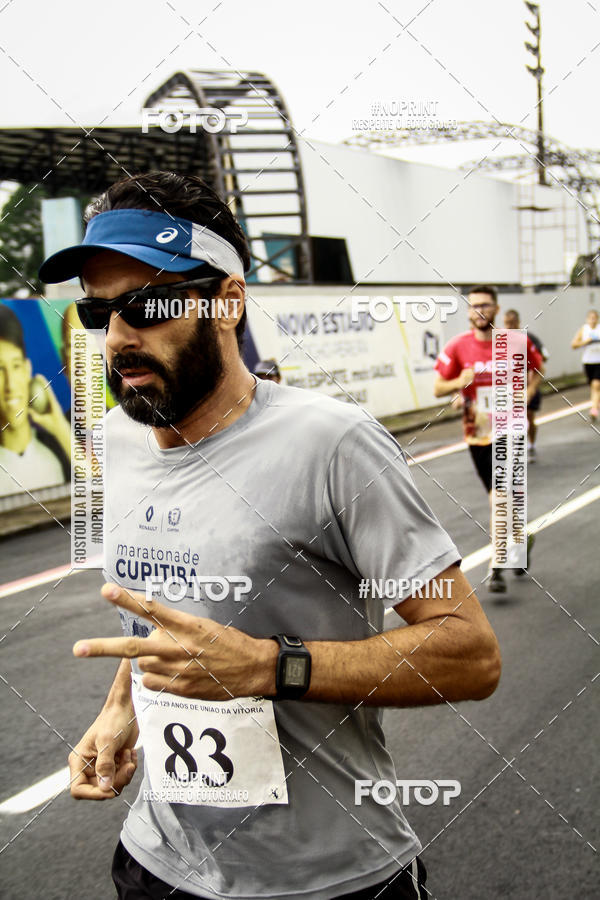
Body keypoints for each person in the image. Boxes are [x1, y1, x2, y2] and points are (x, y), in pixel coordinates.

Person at [42, 172, 501, 900]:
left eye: (144, 305)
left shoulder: (334, 443)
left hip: (331, 878)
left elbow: (471, 655)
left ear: (228, 301)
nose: (120, 337)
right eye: (99, 314)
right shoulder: (114, 443)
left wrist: (268, 665)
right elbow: (167, 615)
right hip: (157, 865)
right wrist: (118, 710)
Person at [434, 286, 543, 594]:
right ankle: (522, 537)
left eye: (486, 304)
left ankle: (497, 565)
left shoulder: (515, 342)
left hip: (510, 427)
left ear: (496, 308)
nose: (480, 310)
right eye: (474, 305)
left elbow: (536, 370)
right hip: (477, 433)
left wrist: (528, 394)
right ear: (468, 311)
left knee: (499, 497)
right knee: (500, 498)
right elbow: (438, 387)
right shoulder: (458, 347)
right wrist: (458, 386)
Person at [0, 303, 70, 497]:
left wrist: (59, 427)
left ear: (27, 369)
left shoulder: (55, 457)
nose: (10, 385)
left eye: (15, 366)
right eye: (0, 370)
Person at [503, 309, 549, 463]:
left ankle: (531, 445)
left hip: (527, 384)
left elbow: (543, 359)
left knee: (528, 417)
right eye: (506, 324)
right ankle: (515, 448)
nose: (509, 327)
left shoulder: (529, 338)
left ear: (518, 322)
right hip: (509, 388)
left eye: (512, 323)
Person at [571, 309, 600, 421]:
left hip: (599, 362)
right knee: (592, 385)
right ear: (587, 319)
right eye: (590, 318)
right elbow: (574, 345)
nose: (593, 320)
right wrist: (586, 341)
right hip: (588, 362)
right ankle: (596, 401)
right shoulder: (584, 330)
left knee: (596, 385)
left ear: (597, 319)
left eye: (595, 318)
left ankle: (593, 409)